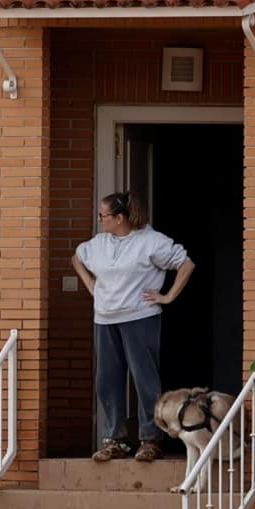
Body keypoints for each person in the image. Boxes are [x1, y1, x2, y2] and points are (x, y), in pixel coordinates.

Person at [72, 191, 195, 463]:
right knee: (108, 381)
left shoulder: (151, 242)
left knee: (144, 379)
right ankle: (114, 440)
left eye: (104, 215)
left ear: (120, 217)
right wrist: (91, 285)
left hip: (140, 317)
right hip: (105, 318)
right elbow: (77, 258)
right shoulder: (99, 243)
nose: (100, 220)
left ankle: (150, 440)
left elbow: (185, 264)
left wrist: (168, 296)